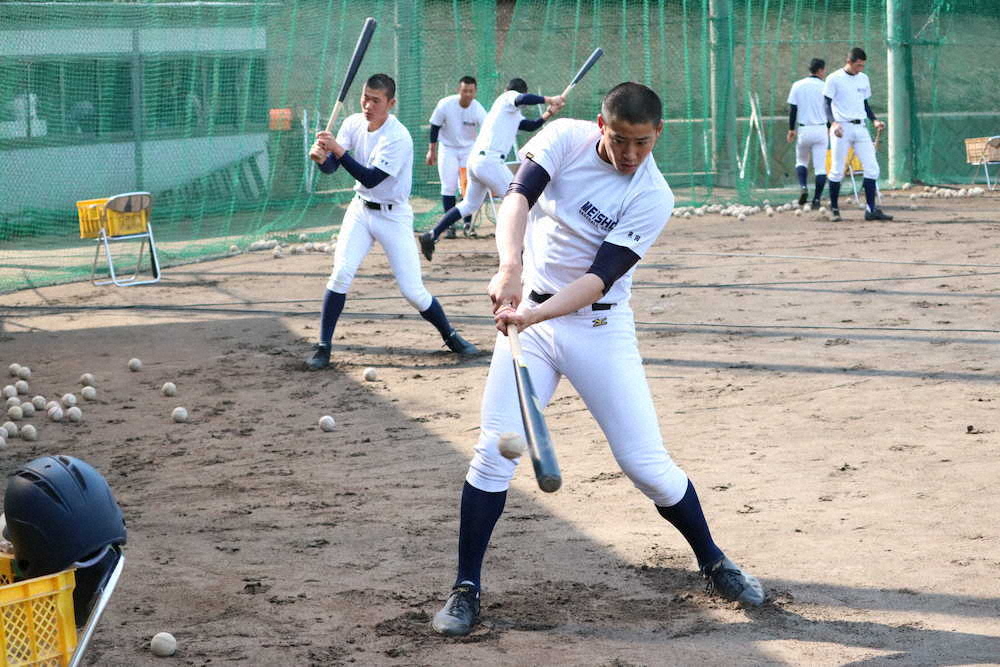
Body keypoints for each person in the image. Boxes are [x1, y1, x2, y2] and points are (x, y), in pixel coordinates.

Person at [430, 82, 765, 637]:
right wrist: (510, 267)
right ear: (600, 126)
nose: (631, 153)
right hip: (530, 318)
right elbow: (517, 198)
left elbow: (598, 279)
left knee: (645, 465)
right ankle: (466, 588)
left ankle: (713, 560)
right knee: (493, 452)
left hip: (598, 327)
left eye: (643, 142)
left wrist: (532, 315)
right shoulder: (564, 137)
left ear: (659, 134)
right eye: (621, 139)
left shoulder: (653, 195)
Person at [305, 74, 478, 370]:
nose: (368, 105)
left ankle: (450, 336)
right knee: (341, 274)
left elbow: (370, 177)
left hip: (393, 216)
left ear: (391, 103)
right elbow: (333, 167)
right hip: (360, 211)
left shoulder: (398, 137)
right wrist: (323, 159)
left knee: (413, 291)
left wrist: (337, 151)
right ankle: (323, 347)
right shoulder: (353, 123)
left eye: (376, 100)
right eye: (365, 98)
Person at [418, 78, 565, 261]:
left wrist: (550, 112)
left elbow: (530, 126)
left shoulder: (510, 113)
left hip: (477, 161)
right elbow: (521, 98)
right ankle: (521, 252)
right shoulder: (508, 98)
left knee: (469, 205)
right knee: (520, 202)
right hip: (489, 161)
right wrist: (549, 99)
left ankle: (431, 234)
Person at [823, 47, 892, 222]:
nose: (860, 68)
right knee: (837, 170)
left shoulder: (863, 78)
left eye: (862, 65)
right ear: (849, 62)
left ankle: (870, 209)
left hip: (860, 127)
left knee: (872, 168)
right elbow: (826, 104)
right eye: (858, 65)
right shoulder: (834, 78)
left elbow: (864, 103)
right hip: (842, 128)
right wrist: (833, 123)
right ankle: (834, 209)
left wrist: (874, 120)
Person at [425, 76, 487, 239]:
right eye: (464, 91)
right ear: (459, 90)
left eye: (471, 91)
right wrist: (431, 151)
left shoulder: (477, 109)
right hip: (448, 148)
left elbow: (487, 129)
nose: (468, 94)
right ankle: (449, 226)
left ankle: (467, 224)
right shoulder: (445, 104)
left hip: (469, 149)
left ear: (475, 92)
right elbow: (435, 126)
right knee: (448, 186)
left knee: (467, 186)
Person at [786, 58, 829, 209]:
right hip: (821, 129)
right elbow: (830, 109)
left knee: (801, 161)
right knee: (820, 168)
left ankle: (803, 186)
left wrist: (791, 129)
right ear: (821, 70)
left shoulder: (797, 85)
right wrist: (831, 127)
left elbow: (793, 109)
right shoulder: (825, 86)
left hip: (804, 129)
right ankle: (816, 200)